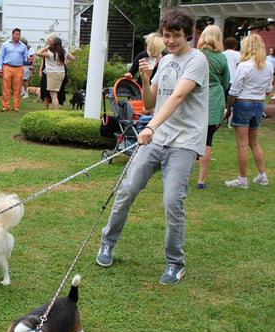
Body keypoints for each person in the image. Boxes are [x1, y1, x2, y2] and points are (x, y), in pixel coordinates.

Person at [96, 9, 209, 285]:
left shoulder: (197, 60)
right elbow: (149, 103)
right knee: (127, 189)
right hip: (157, 137)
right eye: (166, 35)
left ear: (188, 36)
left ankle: (175, 262)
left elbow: (179, 96)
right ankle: (108, 242)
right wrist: (146, 79)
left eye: (176, 36)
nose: (170, 41)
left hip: (183, 142)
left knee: (173, 201)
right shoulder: (166, 61)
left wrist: (150, 127)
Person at [224, 34, 273, 188]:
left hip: (243, 103)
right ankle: (262, 175)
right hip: (258, 104)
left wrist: (229, 107)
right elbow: (268, 88)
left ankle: (242, 179)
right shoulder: (268, 66)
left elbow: (235, 90)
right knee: (254, 142)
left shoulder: (244, 66)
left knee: (242, 144)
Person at [196, 25, 229, 189]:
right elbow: (226, 82)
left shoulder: (197, 56)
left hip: (197, 98)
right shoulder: (221, 58)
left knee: (192, 137)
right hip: (215, 98)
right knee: (207, 140)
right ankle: (201, 179)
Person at [36, 37, 75, 110]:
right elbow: (73, 58)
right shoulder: (64, 51)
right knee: (56, 92)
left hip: (52, 73)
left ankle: (55, 111)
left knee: (53, 95)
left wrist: (47, 46)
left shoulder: (51, 53)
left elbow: (38, 53)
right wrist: (65, 63)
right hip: (61, 73)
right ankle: (56, 110)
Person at [0, 28, 30, 112]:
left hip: (18, 68)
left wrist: (29, 60)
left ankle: (16, 106)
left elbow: (25, 59)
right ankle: (5, 105)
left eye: (19, 34)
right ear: (12, 35)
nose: (18, 36)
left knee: (17, 88)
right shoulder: (5, 44)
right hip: (7, 66)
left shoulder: (23, 46)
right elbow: (0, 56)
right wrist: (0, 68)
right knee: (6, 87)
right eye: (16, 34)